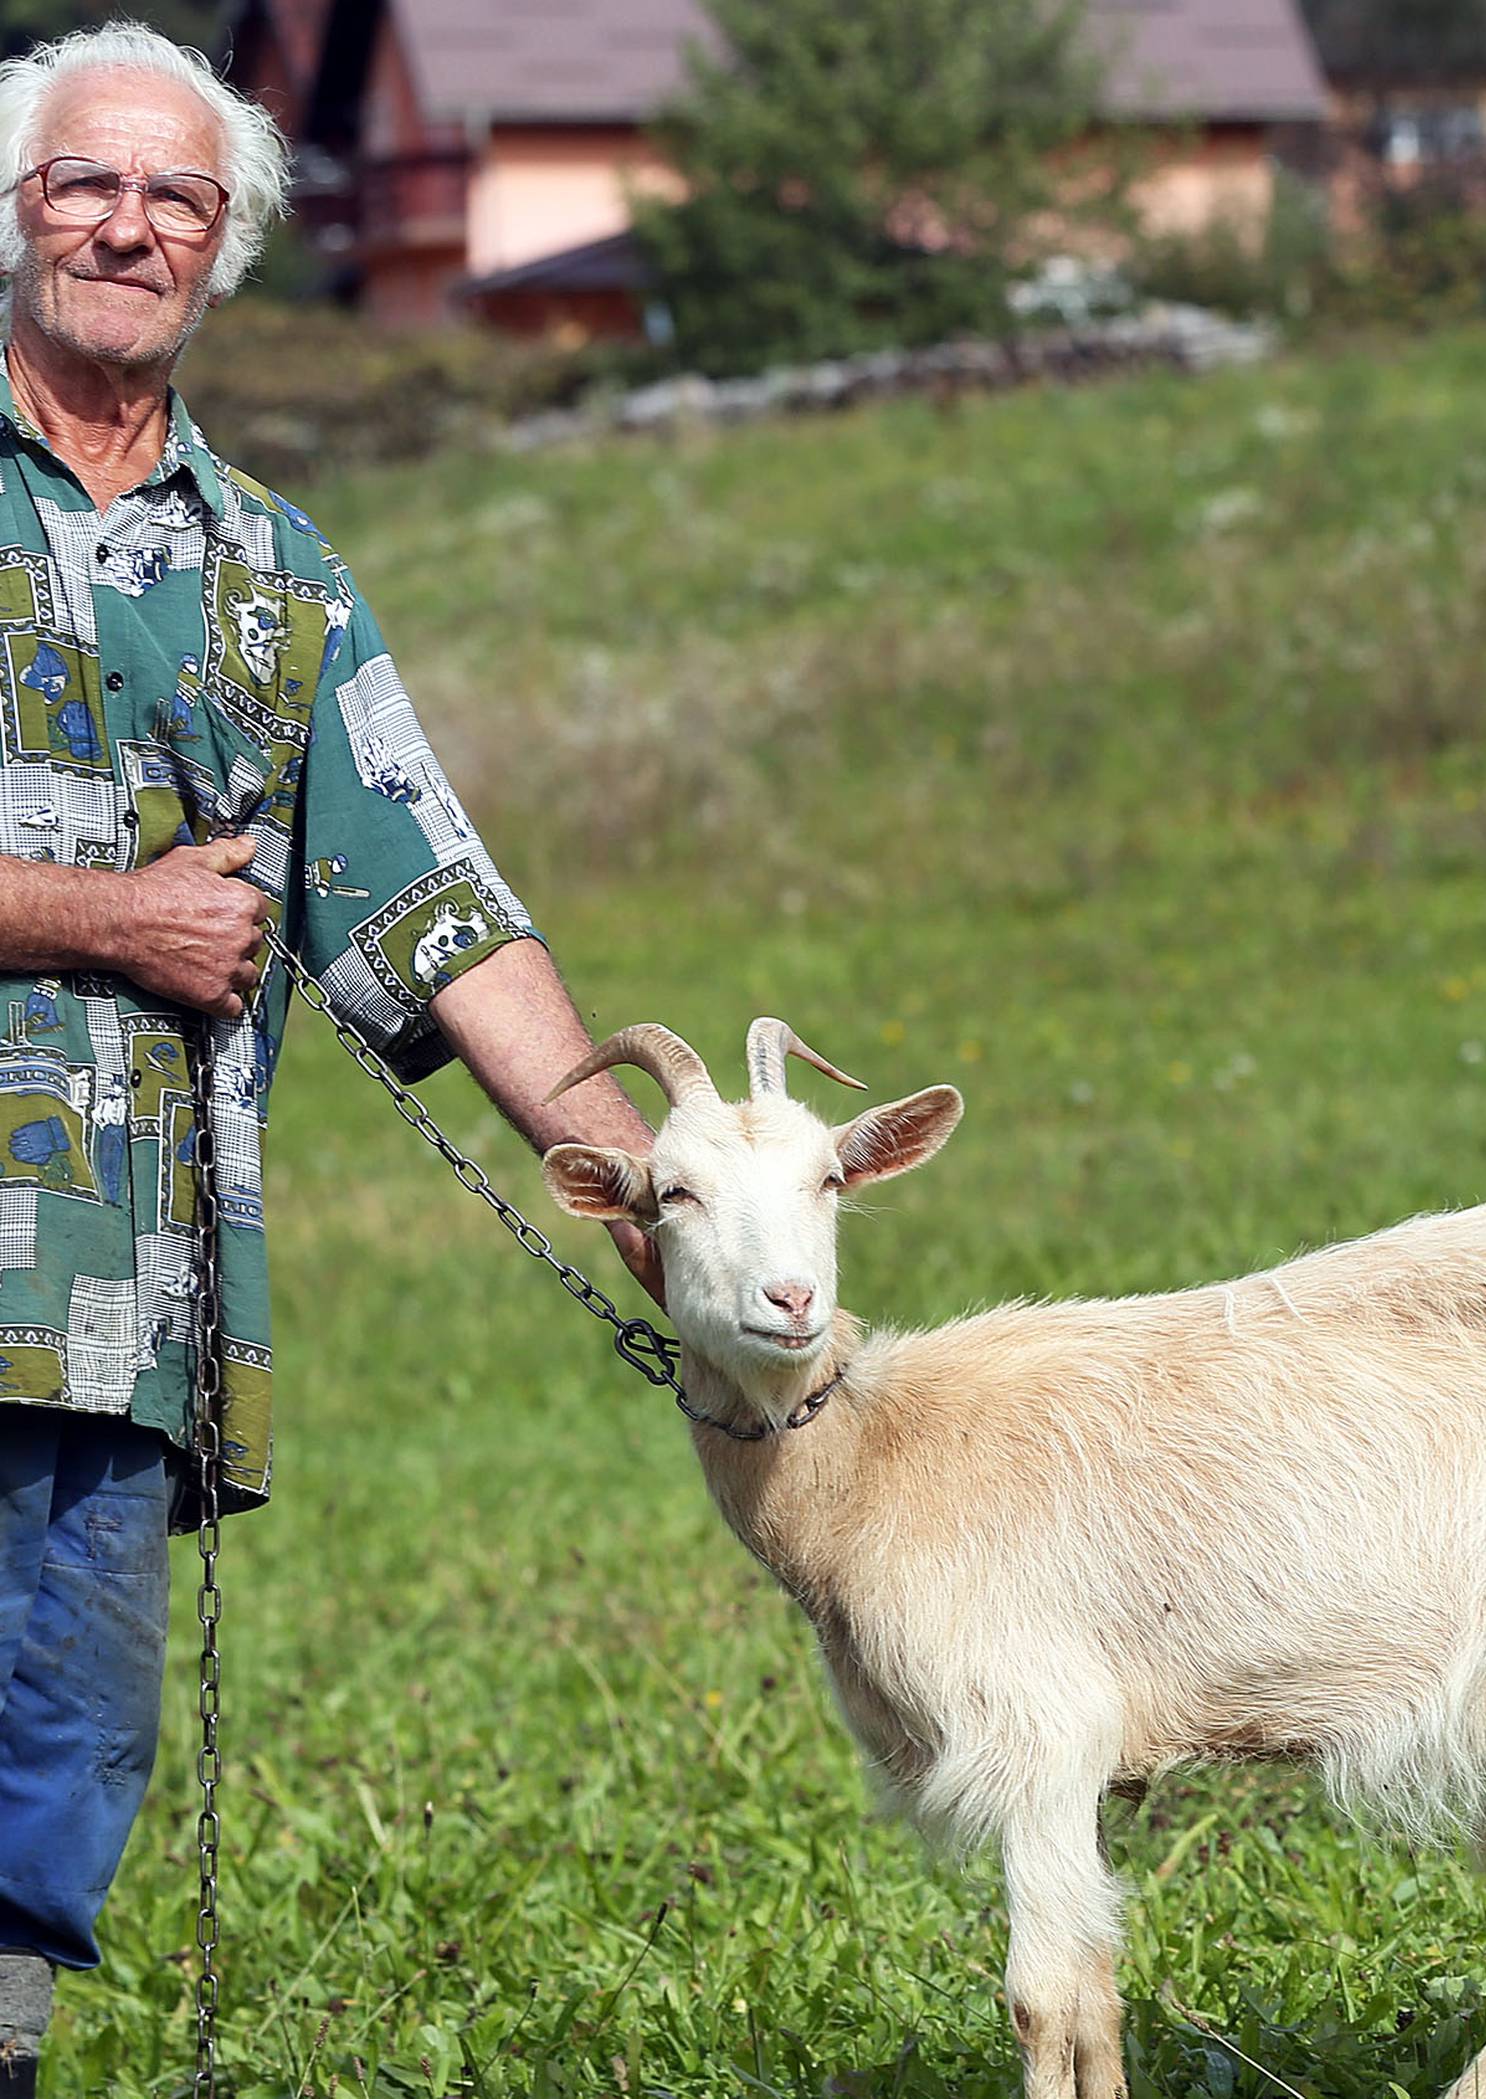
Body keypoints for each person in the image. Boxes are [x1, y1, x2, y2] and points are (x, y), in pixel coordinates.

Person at [0, 25, 662, 2086]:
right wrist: (108, 918)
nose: (127, 221)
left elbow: (437, 908)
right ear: (11, 213)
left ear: (227, 250)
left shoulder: (276, 576)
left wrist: (644, 1177)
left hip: (107, 1316)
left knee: (52, 1766)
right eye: (83, 182)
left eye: (176, 196)